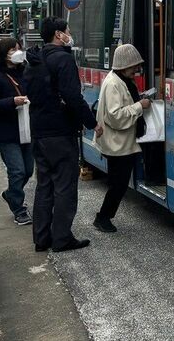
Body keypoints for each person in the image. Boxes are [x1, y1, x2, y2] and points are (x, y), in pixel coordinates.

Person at [23, 17, 102, 252]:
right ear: (58, 34)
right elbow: (73, 97)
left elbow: (29, 90)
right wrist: (92, 122)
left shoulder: (33, 60)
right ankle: (62, 238)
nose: (69, 34)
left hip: (39, 131)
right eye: (67, 30)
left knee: (44, 185)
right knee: (65, 187)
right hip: (60, 131)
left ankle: (41, 238)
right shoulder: (63, 60)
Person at [92, 44, 150, 233]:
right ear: (124, 65)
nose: (137, 70)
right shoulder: (114, 84)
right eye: (134, 66)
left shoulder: (119, 79)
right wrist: (140, 106)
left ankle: (104, 216)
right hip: (117, 144)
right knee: (118, 184)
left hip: (121, 142)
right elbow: (115, 116)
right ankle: (103, 217)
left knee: (118, 183)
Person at [0, 37, 33, 225]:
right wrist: (12, 101)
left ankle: (10, 194)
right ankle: (19, 209)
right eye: (12, 50)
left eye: (18, 49)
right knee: (17, 170)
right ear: (3, 55)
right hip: (7, 132)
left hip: (26, 128)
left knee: (28, 170)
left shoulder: (25, 72)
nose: (17, 53)